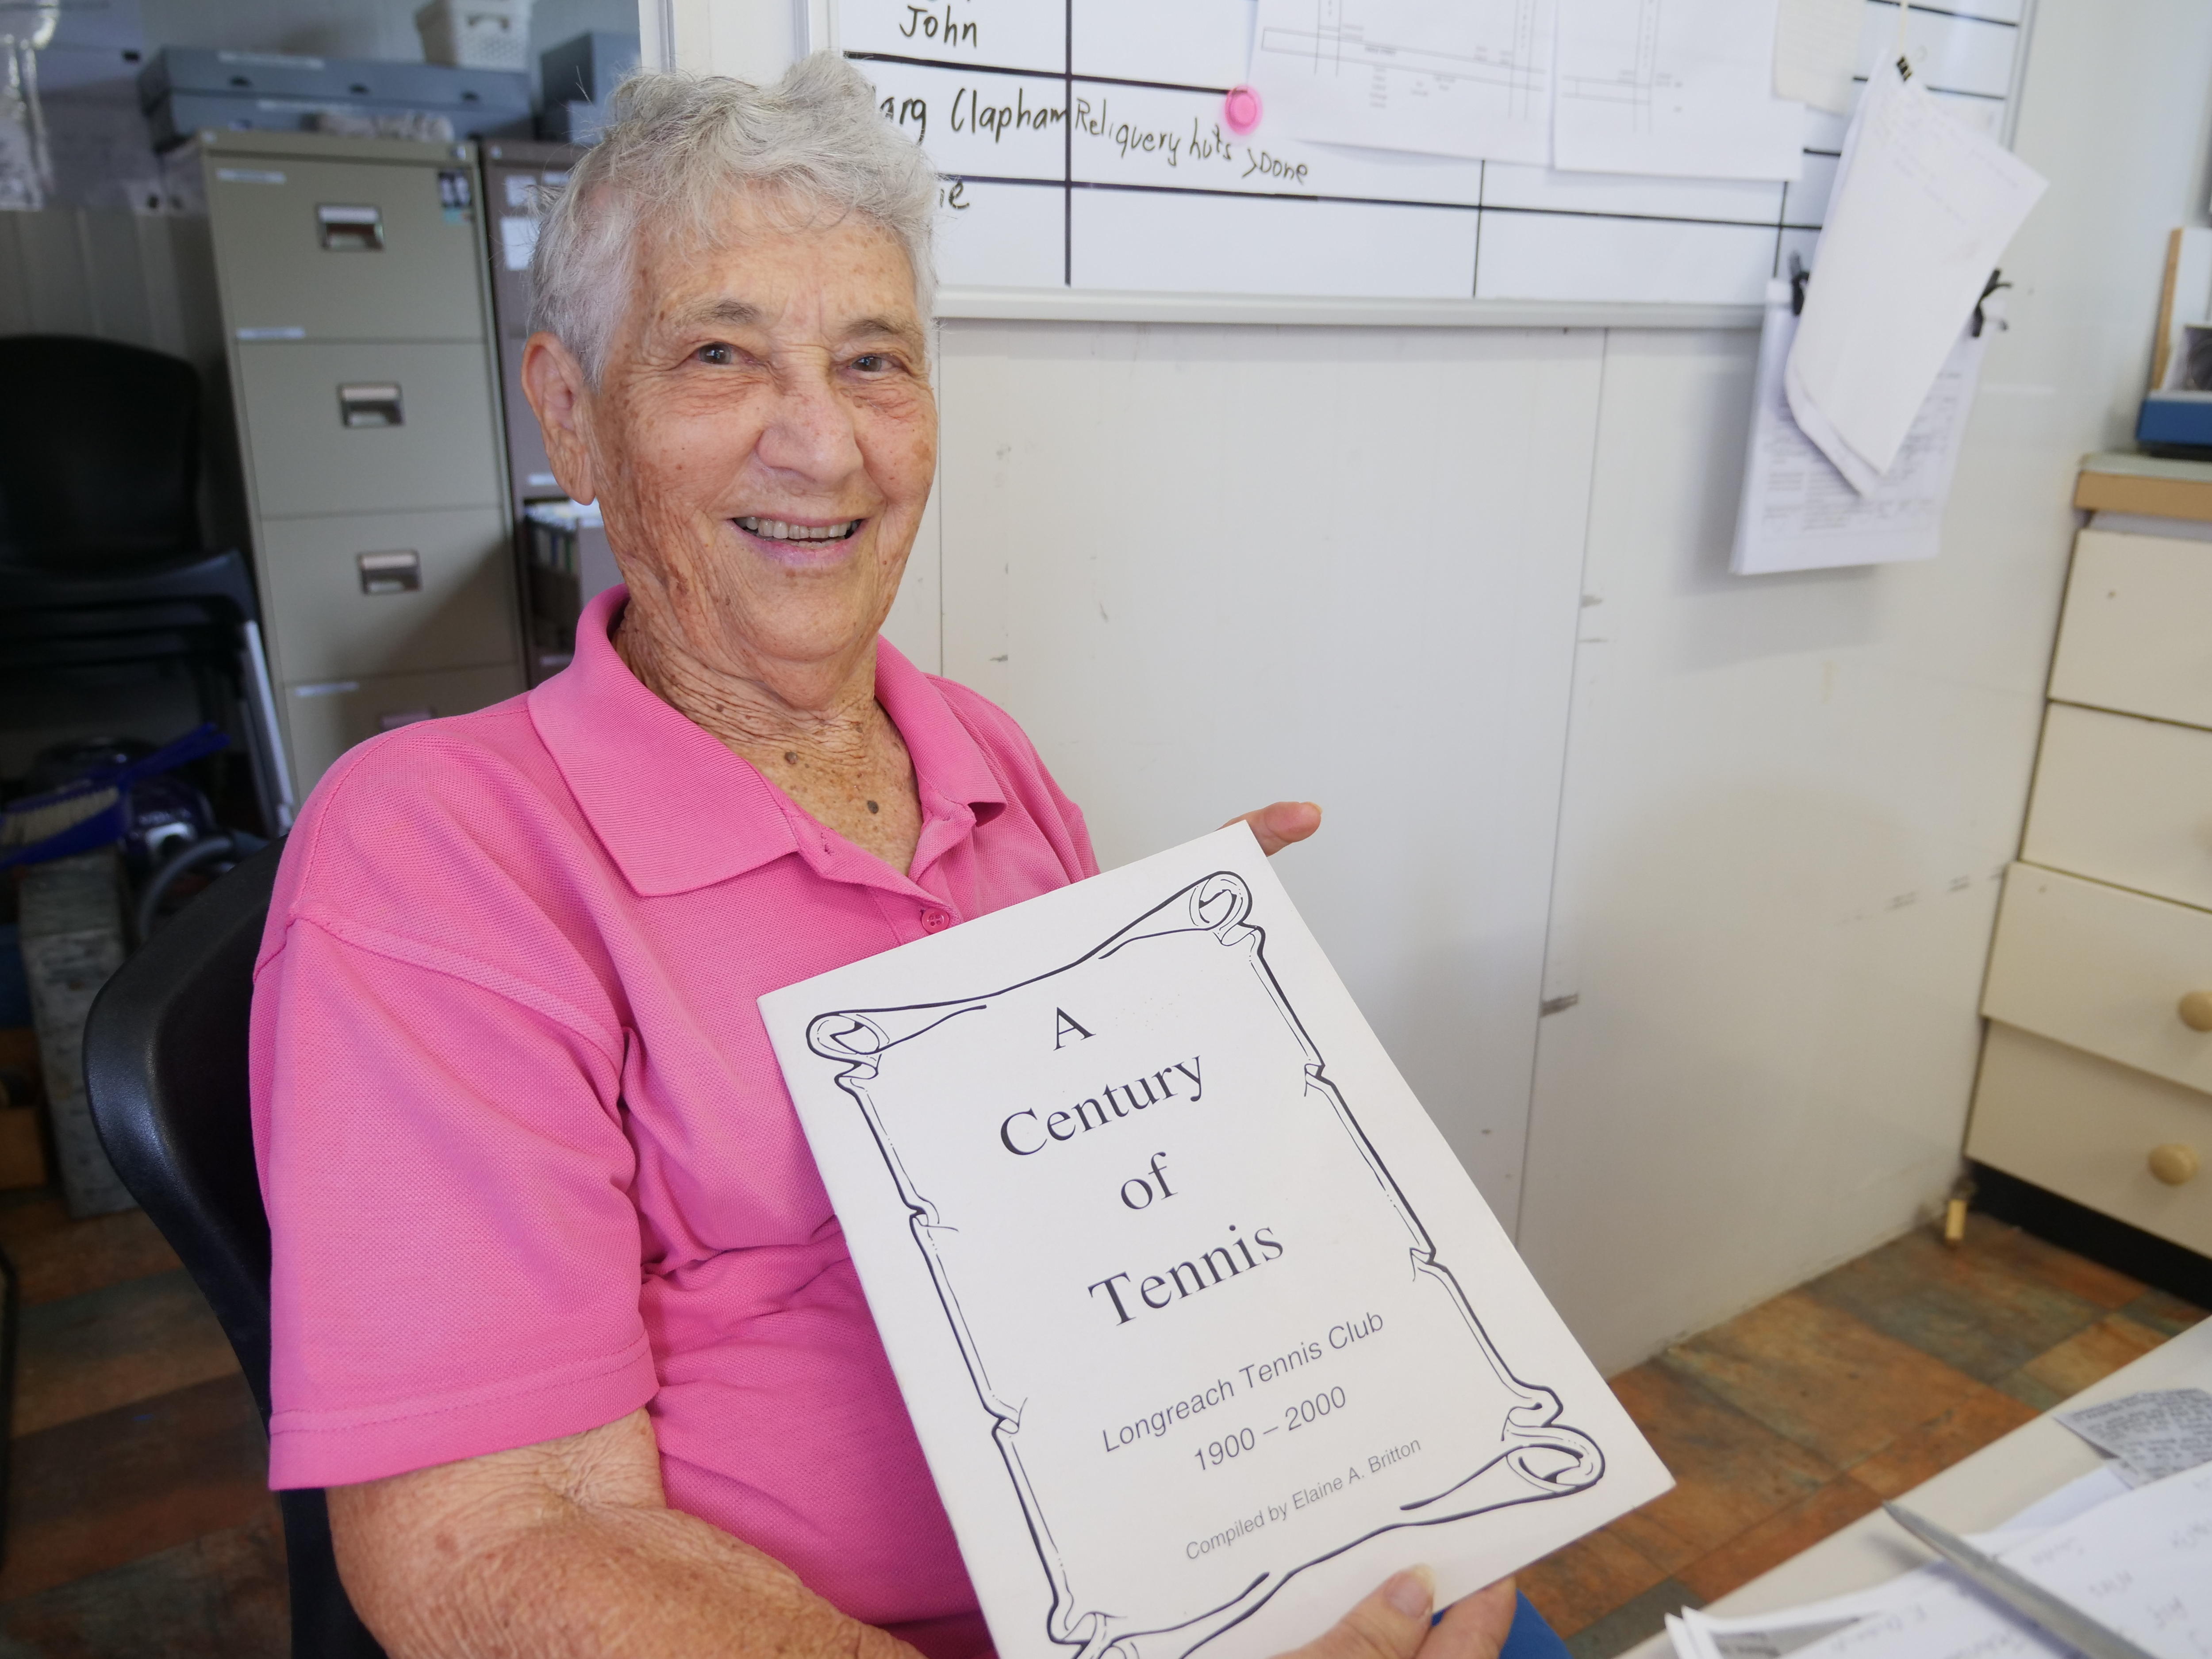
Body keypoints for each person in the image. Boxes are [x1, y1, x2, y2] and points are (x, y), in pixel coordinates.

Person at [249, 54, 1527, 1659]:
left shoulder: (984, 762)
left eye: (875, 363)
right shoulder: (440, 854)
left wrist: (1190, 1029)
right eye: (720, 355)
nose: (823, 447)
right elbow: (498, 1551)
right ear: (571, 415)